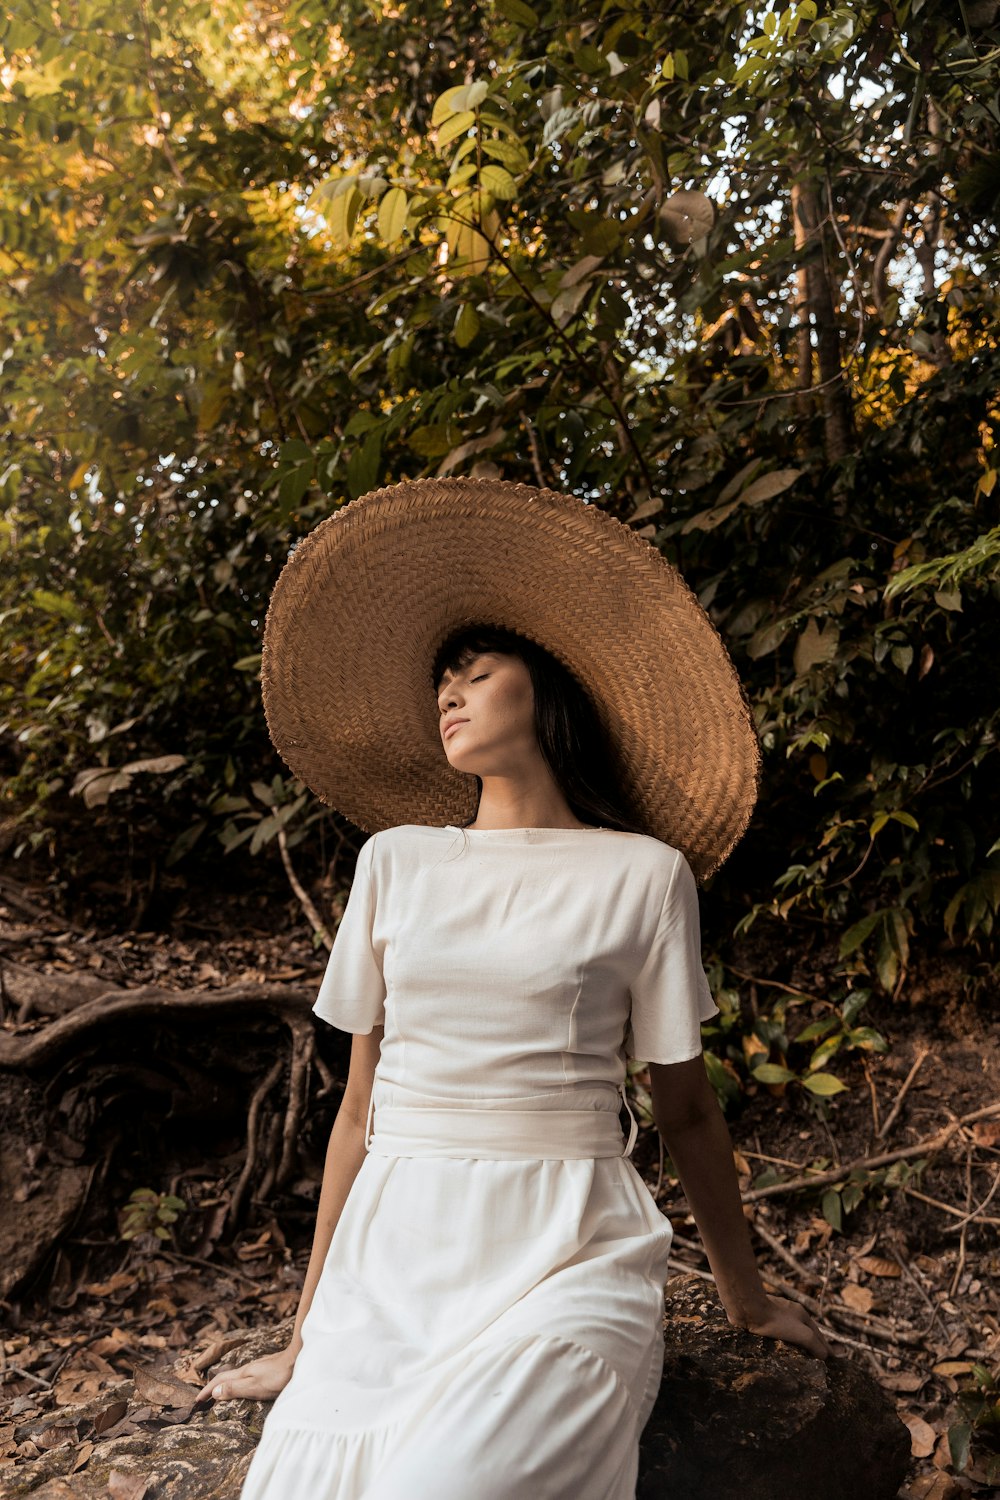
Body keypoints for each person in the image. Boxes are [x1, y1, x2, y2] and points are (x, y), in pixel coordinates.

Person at [194, 478, 830, 1498]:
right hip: (394, 1260)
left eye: (475, 672)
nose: (446, 691)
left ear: (545, 691)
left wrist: (744, 1298)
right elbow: (357, 1112)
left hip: (567, 1252)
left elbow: (688, 1110)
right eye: (440, 679)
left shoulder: (642, 875)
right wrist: (304, 1338)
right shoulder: (394, 862)